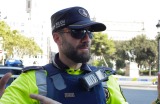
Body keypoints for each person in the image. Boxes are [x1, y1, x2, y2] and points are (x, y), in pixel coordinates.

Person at [0, 6, 157, 104]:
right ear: (57, 38)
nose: (87, 38)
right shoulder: (32, 79)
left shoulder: (106, 80)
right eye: (78, 32)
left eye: (89, 32)